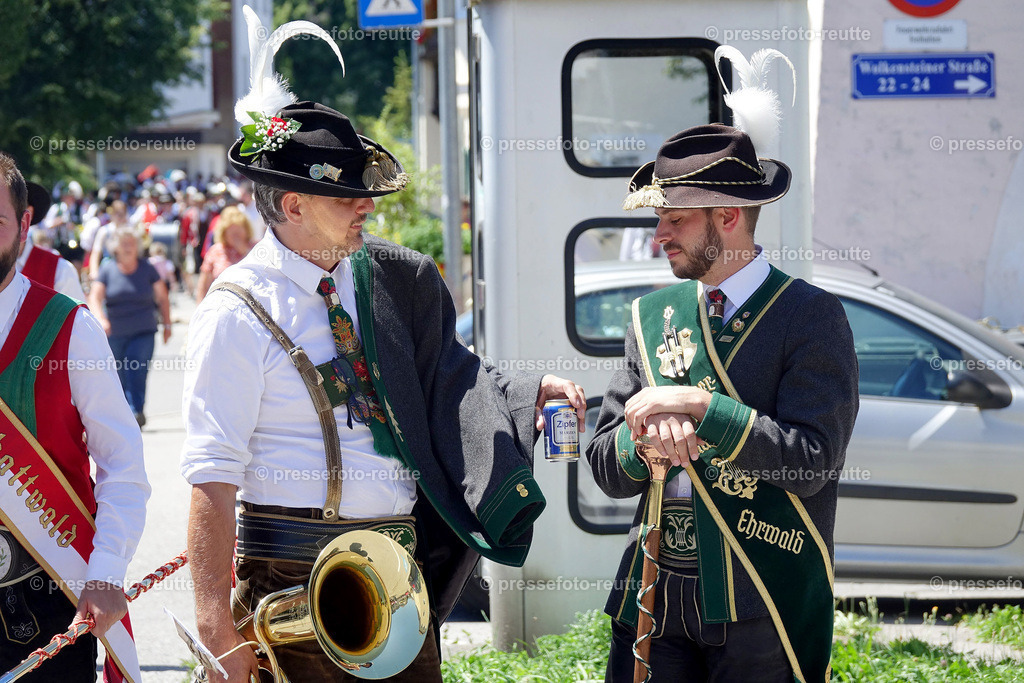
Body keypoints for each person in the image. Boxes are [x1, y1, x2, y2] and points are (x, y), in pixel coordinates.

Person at [181, 13, 584, 682]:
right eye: (344, 195)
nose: (365, 204)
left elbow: (449, 378)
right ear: (291, 204)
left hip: (396, 578)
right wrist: (214, 625)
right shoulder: (235, 310)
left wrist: (523, 391)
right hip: (291, 578)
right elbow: (210, 478)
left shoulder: (390, 279)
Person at [587, 72, 859, 681]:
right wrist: (644, 441)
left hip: (760, 595)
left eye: (674, 221)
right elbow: (604, 463)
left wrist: (702, 408)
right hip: (653, 586)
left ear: (729, 215)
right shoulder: (651, 317)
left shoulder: (811, 316)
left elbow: (811, 461)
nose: (657, 236)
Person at [0, 152, 149, 681]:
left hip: (47, 596)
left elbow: (122, 463)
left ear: (23, 226)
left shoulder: (70, 329)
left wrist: (107, 572)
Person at [87, 227, 172, 427]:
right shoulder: (108, 269)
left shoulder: (147, 268)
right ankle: (125, 413)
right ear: (115, 248)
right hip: (115, 332)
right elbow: (95, 297)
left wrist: (167, 324)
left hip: (144, 329)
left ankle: (136, 411)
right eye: (124, 244)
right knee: (118, 374)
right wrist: (100, 318)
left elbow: (162, 297)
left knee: (136, 366)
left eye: (132, 243)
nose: (128, 248)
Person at [16, 181, 86, 299]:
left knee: (78, 263)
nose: (68, 198)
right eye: (66, 196)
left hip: (73, 241)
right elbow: (47, 226)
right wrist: (58, 222)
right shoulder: (57, 209)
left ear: (26, 216)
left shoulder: (60, 270)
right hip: (60, 242)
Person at [194, 205, 255, 303]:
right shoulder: (215, 251)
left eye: (238, 232)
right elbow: (203, 285)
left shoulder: (256, 248)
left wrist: (244, 251)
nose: (236, 237)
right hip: (220, 305)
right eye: (232, 234)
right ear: (224, 233)